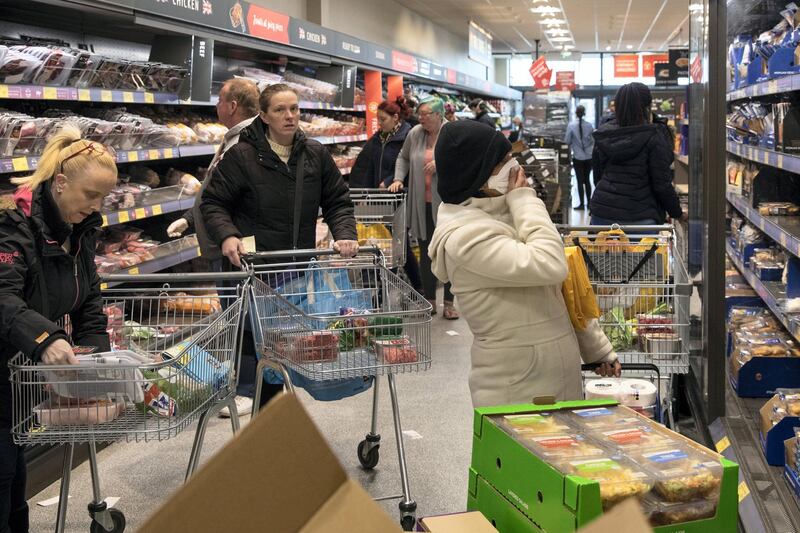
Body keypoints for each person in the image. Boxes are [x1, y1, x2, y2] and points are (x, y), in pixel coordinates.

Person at [428, 120, 620, 407]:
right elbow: (550, 264)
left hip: (553, 380)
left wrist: (596, 349)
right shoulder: (464, 238)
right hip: (517, 388)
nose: (514, 165)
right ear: (476, 174)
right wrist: (524, 200)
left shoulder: (503, 210)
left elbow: (557, 293)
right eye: (503, 160)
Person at [201, 83, 359, 407]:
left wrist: (345, 233)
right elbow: (214, 202)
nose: (289, 117)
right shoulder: (242, 156)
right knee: (267, 355)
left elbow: (338, 202)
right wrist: (228, 235)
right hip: (257, 272)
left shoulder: (315, 153)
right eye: (279, 110)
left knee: (293, 351)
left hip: (297, 270)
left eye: (294, 109)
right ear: (263, 115)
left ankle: (276, 427)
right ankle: (269, 431)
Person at [0, 125, 118, 532]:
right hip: (5, 364)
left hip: (18, 376)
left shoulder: (78, 232)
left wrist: (98, 358)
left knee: (14, 482)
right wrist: (45, 338)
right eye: (91, 195)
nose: (98, 204)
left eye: (104, 196)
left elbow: (89, 301)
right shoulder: (12, 227)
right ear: (61, 183)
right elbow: (3, 297)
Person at [166, 78, 260, 418]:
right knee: (237, 315)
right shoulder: (232, 138)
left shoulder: (248, 141)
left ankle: (249, 388)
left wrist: (226, 233)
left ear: (233, 105)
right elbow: (215, 191)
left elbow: (233, 198)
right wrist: (191, 220)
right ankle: (243, 380)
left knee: (244, 317)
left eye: (220, 99)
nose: (216, 105)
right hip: (225, 243)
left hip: (236, 245)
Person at [389, 96, 458, 320]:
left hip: (447, 206)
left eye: (425, 115)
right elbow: (403, 157)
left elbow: (463, 161)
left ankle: (449, 302)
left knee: (448, 254)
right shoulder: (415, 133)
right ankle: (430, 301)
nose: (421, 119)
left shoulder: (453, 133)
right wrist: (398, 178)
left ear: (439, 115)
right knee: (427, 253)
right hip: (422, 204)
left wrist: (442, 163)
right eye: (420, 115)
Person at [348, 97, 423, 294]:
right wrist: (358, 193)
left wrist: (390, 181)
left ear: (396, 117)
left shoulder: (408, 137)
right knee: (381, 246)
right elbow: (365, 167)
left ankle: (419, 287)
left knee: (399, 247)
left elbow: (410, 166)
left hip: (398, 200)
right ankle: (380, 294)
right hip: (377, 201)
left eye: (382, 119)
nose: (379, 123)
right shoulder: (378, 139)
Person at [590, 83, 685, 225]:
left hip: (602, 214)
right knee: (641, 248)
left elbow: (597, 176)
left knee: (602, 248)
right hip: (641, 217)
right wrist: (676, 212)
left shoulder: (604, 134)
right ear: (647, 107)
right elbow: (662, 185)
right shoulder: (654, 135)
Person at [564, 105, 594, 210]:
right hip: (589, 156)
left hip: (578, 156)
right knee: (587, 180)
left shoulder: (571, 126)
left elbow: (567, 141)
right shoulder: (590, 126)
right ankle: (590, 203)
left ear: (576, 113)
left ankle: (581, 204)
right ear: (584, 113)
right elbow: (592, 140)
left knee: (580, 181)